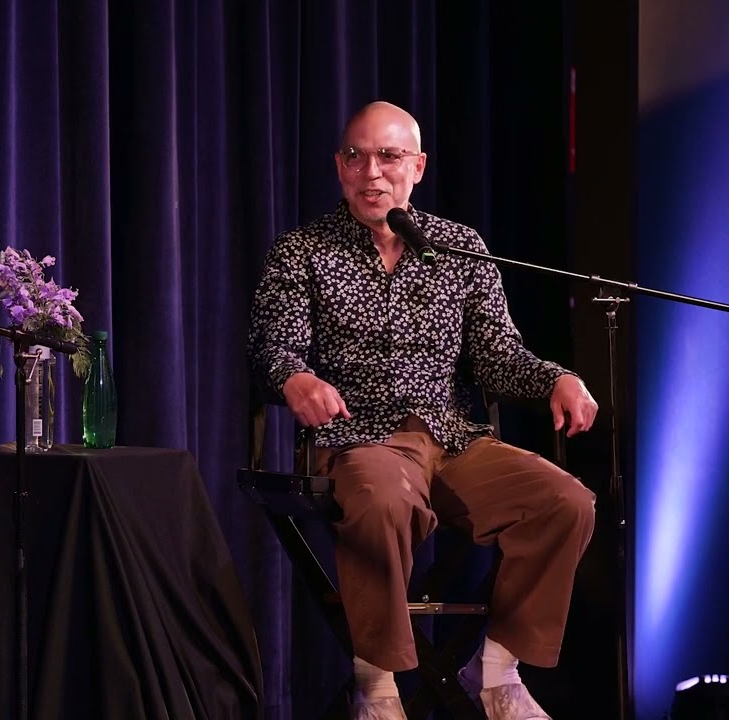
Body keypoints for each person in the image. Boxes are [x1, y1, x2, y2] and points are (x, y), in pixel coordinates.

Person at [248, 102, 598, 720]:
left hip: (453, 438)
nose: (371, 172)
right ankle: (376, 684)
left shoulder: (458, 248)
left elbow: (498, 354)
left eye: (388, 156)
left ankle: (496, 672)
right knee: (381, 498)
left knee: (565, 502)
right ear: (338, 166)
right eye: (355, 157)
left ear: (418, 166)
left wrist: (556, 377)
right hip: (361, 439)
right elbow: (271, 346)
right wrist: (294, 376)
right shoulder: (302, 250)